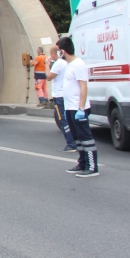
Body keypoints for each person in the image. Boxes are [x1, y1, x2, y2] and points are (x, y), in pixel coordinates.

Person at [56, 37, 99, 177]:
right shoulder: (69, 65)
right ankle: (82, 163)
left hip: (78, 108)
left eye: (58, 51)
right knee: (78, 138)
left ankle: (92, 167)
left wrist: (81, 108)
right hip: (70, 108)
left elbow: (83, 87)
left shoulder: (78, 65)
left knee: (85, 137)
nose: (57, 54)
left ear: (63, 51)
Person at [45, 46, 76, 152]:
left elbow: (49, 76)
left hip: (59, 96)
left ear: (54, 54)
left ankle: (71, 144)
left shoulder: (58, 63)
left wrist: (46, 64)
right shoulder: (66, 62)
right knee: (69, 119)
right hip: (66, 94)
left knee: (62, 119)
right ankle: (75, 142)